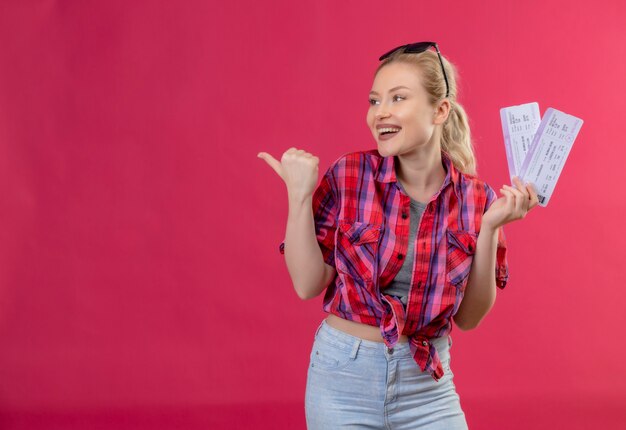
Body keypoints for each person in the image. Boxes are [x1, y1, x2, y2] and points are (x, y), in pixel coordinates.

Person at [258, 41, 538, 429]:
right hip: (343, 379)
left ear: (440, 110)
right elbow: (308, 284)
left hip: (427, 386)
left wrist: (490, 228)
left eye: (397, 98)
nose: (380, 113)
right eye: (375, 101)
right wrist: (299, 195)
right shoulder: (350, 175)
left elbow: (470, 318)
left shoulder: (478, 200)